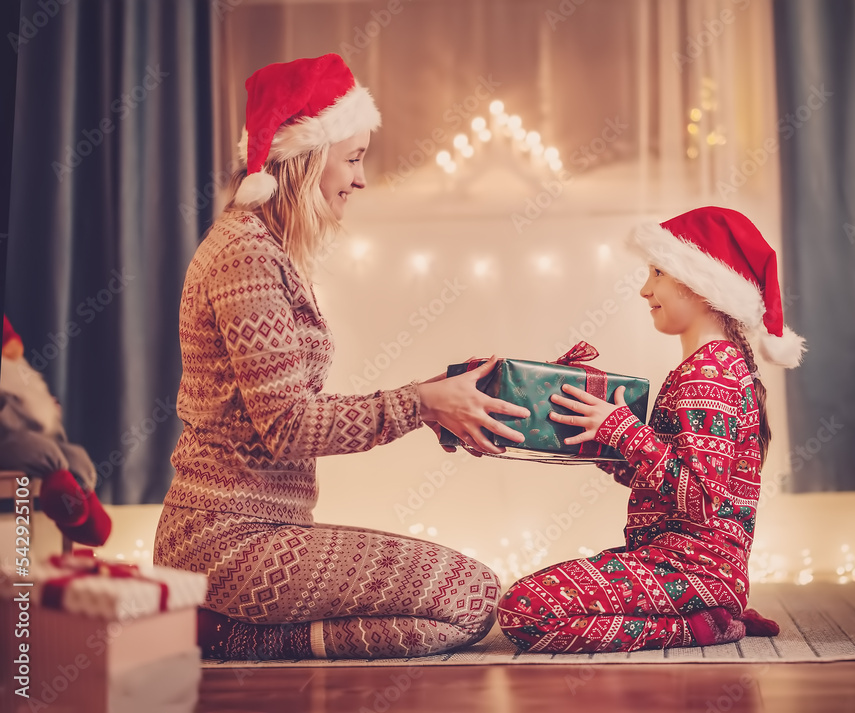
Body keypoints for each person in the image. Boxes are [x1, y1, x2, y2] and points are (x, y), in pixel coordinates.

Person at [152, 54, 530, 660]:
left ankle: (231, 633)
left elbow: (285, 413)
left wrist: (434, 401)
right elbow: (289, 426)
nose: (359, 179)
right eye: (352, 158)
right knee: (472, 596)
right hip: (225, 544)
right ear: (303, 159)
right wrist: (420, 403)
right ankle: (226, 633)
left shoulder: (267, 250)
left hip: (263, 533)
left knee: (473, 603)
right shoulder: (246, 257)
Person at [497, 207, 803, 653]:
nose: (645, 289)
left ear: (701, 284)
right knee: (532, 604)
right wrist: (601, 426)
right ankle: (705, 614)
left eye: (657, 272)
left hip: (692, 570)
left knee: (525, 610)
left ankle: (703, 625)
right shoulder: (708, 367)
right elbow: (666, 482)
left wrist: (622, 429)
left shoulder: (708, 375)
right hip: (674, 561)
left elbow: (700, 501)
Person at [1, 315, 111, 546]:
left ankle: (84, 501)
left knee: (75, 455)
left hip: (36, 430)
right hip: (8, 437)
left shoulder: (17, 371)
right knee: (44, 453)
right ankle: (63, 497)